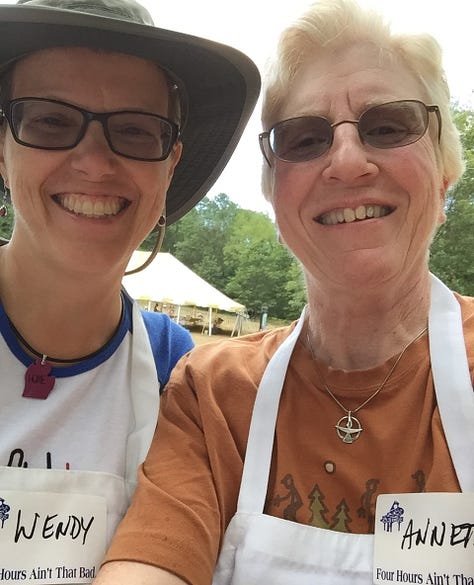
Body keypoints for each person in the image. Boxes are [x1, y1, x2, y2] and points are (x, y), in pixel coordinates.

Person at [94, 0, 473, 583]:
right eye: (303, 139)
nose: (348, 162)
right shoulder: (213, 395)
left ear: (445, 170)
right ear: (275, 198)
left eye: (389, 126)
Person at [0, 0, 259, 575]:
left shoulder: (179, 378)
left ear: (169, 168)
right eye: (50, 120)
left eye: (137, 131)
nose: (94, 162)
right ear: (2, 145)